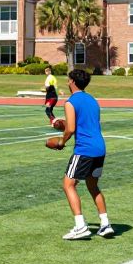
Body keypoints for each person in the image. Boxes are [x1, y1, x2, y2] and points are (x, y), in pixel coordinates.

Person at [52, 68, 113, 240]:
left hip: (84, 149)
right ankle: (105, 223)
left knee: (68, 184)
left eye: (68, 79)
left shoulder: (71, 102)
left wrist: (61, 142)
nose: (67, 81)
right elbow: (84, 123)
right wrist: (61, 124)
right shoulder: (92, 100)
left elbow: (71, 128)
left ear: (72, 82)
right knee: (93, 186)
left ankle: (80, 226)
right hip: (99, 148)